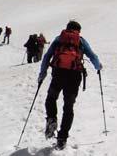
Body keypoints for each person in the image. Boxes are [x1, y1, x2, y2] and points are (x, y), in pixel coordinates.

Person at [38, 21, 102, 150]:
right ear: (78, 30)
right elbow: (92, 56)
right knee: (68, 107)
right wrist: (98, 66)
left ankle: (51, 119)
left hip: (58, 74)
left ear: (67, 28)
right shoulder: (81, 41)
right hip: (74, 76)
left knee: (51, 98)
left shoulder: (59, 39)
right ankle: (62, 139)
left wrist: (42, 73)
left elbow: (46, 57)